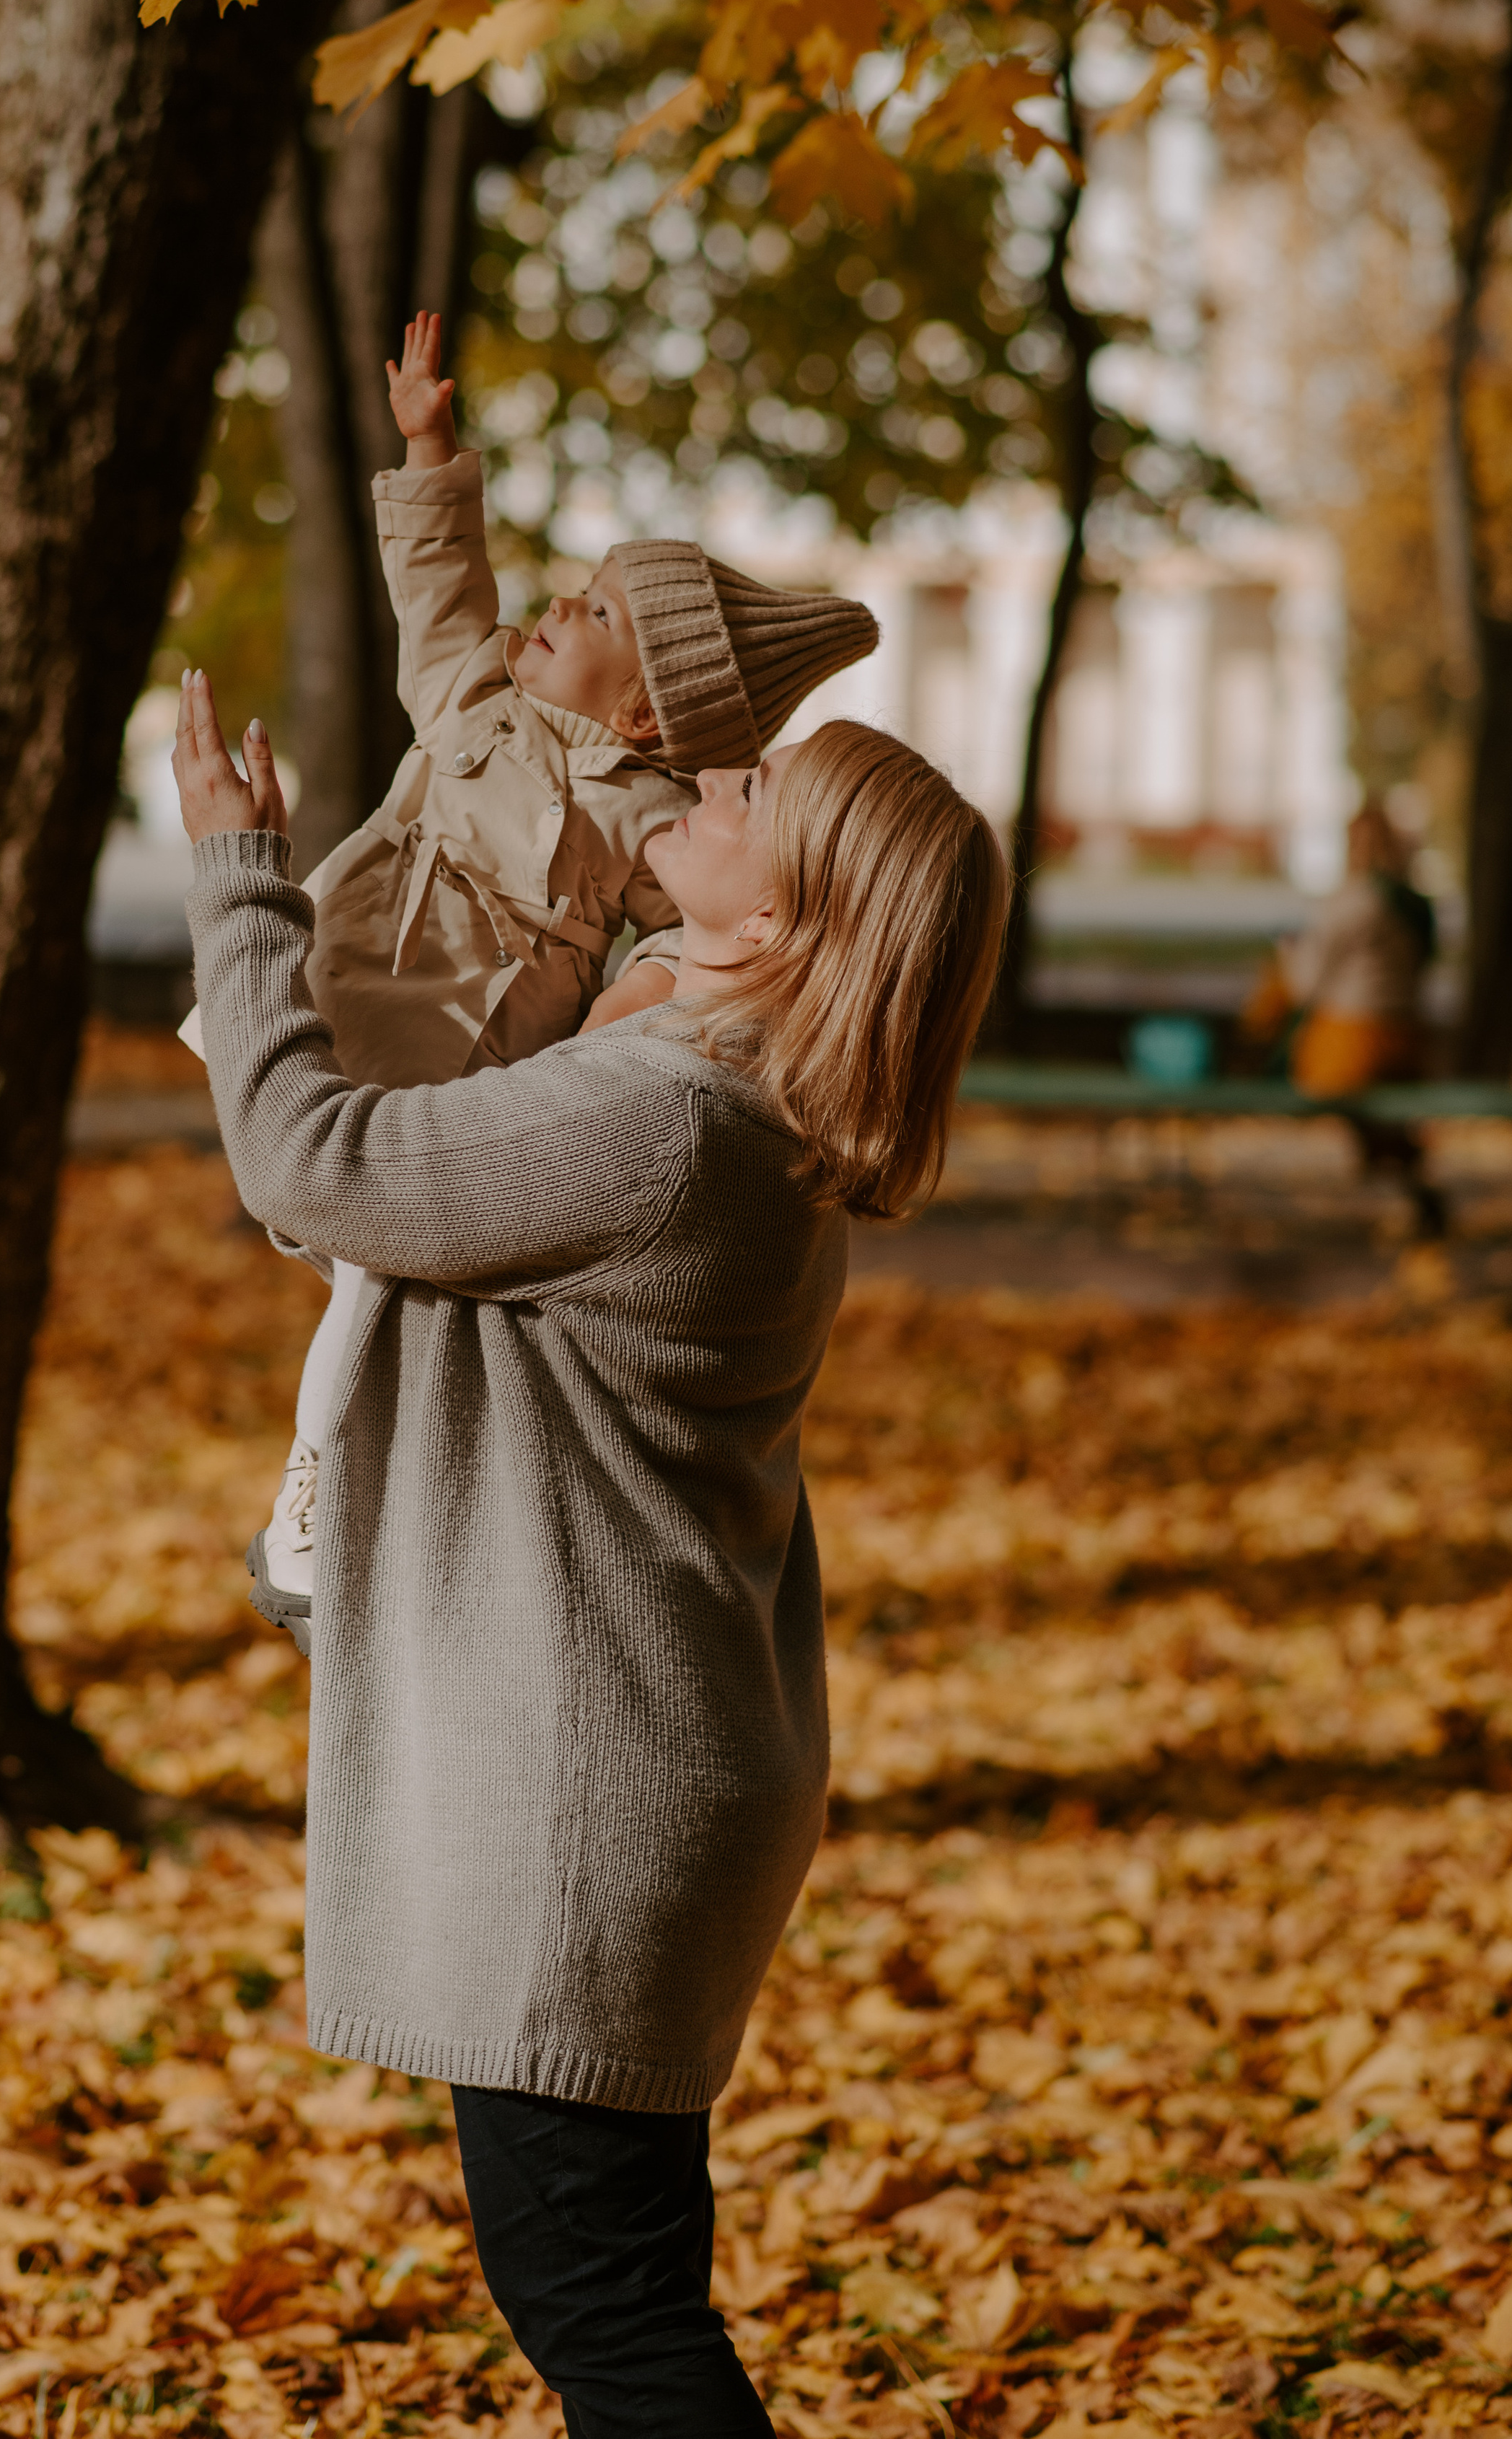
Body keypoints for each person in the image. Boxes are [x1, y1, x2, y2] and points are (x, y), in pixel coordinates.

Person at [173, 667, 1007, 2438]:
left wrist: (239, 873)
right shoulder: (721, 1084)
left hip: (586, 1791)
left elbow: (311, 1159)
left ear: (780, 908)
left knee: (603, 2309)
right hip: (642, 1753)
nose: (706, 787)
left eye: (746, 797)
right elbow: (600, 839)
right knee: (614, 2282)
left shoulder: (659, 1125)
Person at [185, 313, 878, 1650]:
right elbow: (441, 590)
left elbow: (684, 945)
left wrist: (650, 987)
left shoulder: (666, 819)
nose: (556, 605)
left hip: (474, 1055)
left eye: (599, 610)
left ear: (647, 713)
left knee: (382, 1285)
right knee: (367, 1257)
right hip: (361, 988)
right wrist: (432, 450)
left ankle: (317, 1495)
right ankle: (339, 1484)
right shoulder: (478, 701)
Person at [1241, 799, 1441, 1229]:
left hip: (1353, 1044)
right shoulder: (1416, 906)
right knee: (1378, 1113)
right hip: (1407, 1042)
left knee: (1323, 1079)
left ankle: (1394, 1167)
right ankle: (1408, 1176)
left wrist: (1289, 953)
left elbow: (1305, 985)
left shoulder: (1353, 901)